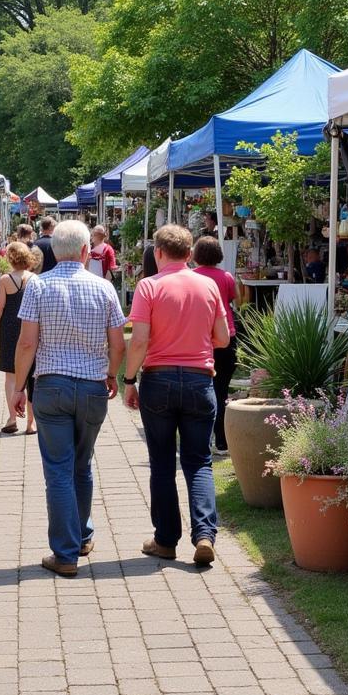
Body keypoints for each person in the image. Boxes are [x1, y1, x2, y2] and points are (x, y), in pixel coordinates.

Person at [14, 220, 127, 577]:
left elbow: (28, 342)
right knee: (83, 462)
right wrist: (113, 374)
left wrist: (19, 387)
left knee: (58, 470)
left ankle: (66, 553)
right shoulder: (104, 288)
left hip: (51, 386)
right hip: (93, 386)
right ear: (84, 252)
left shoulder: (37, 287)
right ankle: (82, 536)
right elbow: (118, 343)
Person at [124, 225, 230, 567]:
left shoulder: (149, 286)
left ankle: (166, 539)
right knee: (199, 461)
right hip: (200, 380)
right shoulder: (210, 285)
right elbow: (224, 338)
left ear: (158, 253)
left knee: (162, 462)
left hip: (159, 380)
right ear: (189, 254)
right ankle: (204, 535)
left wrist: (129, 378)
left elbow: (139, 339)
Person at [192, 236, 240, 456]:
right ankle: (222, 441)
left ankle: (202, 438)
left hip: (199, 338)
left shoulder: (191, 277)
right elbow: (236, 299)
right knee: (221, 391)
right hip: (226, 336)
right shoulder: (226, 277)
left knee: (200, 390)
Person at [0, 241, 38, 435]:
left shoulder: (4, 280)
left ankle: (12, 418)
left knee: (11, 375)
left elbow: (0, 306)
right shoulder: (34, 278)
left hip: (9, 328)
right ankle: (31, 423)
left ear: (10, 258)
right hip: (30, 326)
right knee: (31, 375)